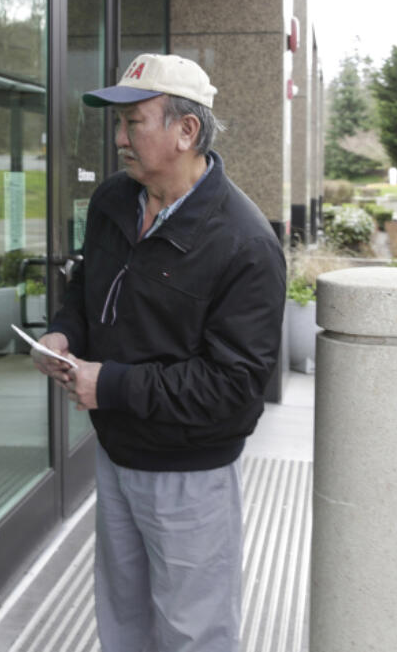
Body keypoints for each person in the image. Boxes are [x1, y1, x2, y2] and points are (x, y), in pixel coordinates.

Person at [31, 53, 286, 652]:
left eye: (133, 122)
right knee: (123, 620)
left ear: (186, 130)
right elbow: (88, 287)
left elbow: (233, 386)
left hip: (190, 474)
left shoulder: (245, 242)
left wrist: (108, 385)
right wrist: (64, 333)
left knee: (192, 631)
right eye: (116, 123)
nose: (118, 139)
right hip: (117, 455)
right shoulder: (114, 202)